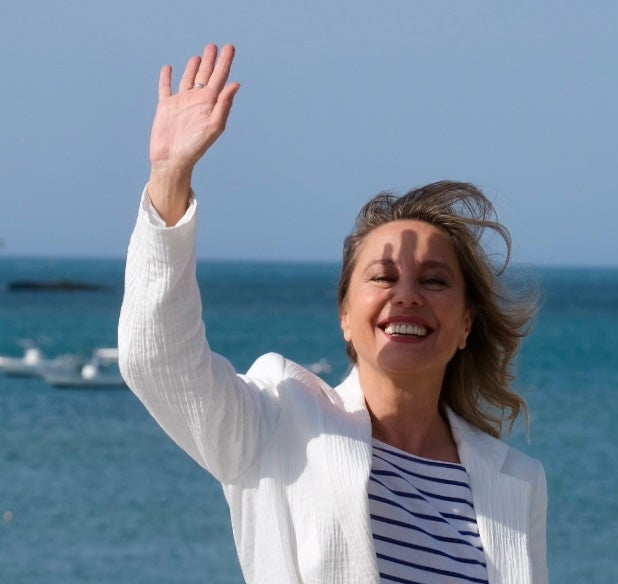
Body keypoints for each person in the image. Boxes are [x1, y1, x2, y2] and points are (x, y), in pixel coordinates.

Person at [119, 43, 548, 584]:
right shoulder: (280, 419)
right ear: (346, 316)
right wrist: (168, 179)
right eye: (383, 277)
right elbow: (157, 361)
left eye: (435, 280)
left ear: (466, 324)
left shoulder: (517, 480)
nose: (407, 295)